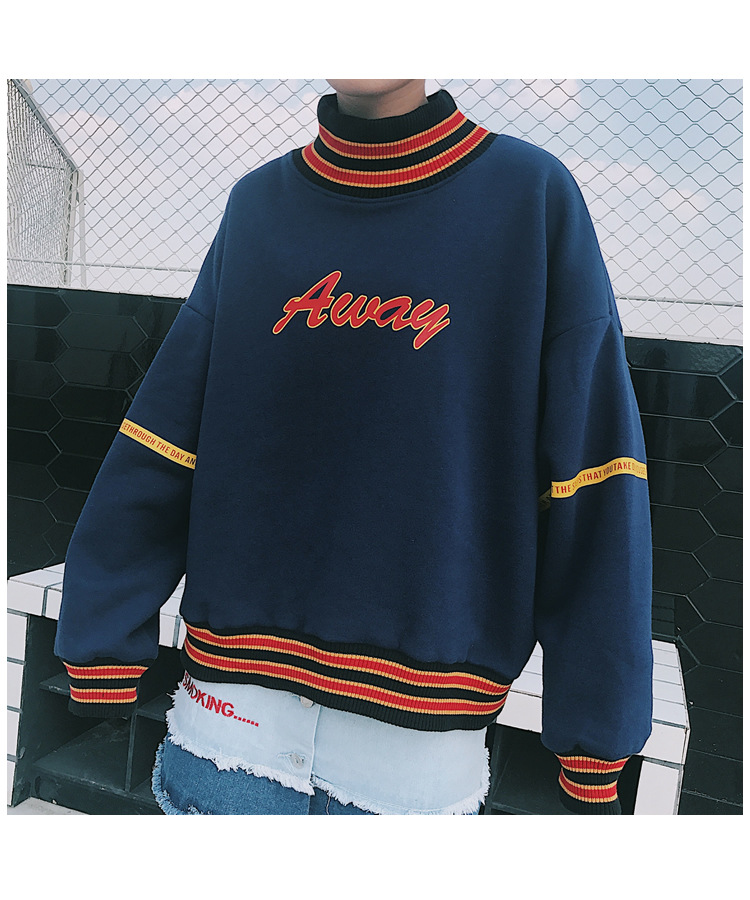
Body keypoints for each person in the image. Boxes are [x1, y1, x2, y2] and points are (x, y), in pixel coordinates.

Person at [54, 78, 654, 815]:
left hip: (410, 770)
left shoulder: (531, 197)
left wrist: (595, 733)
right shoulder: (258, 205)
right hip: (226, 734)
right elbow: (166, 434)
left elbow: (595, 473)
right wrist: (102, 640)